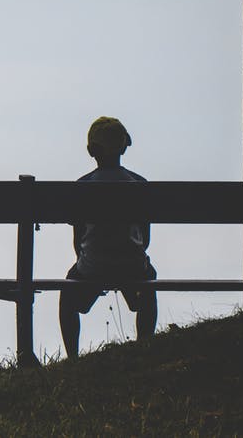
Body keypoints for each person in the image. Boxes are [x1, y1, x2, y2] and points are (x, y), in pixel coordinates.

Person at [60, 116, 158, 358]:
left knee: (68, 294)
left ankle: (72, 357)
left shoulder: (82, 187)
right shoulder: (139, 184)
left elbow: (77, 239)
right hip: (133, 266)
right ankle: (145, 347)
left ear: (91, 150)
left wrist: (89, 260)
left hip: (93, 266)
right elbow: (145, 240)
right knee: (149, 278)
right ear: (124, 147)